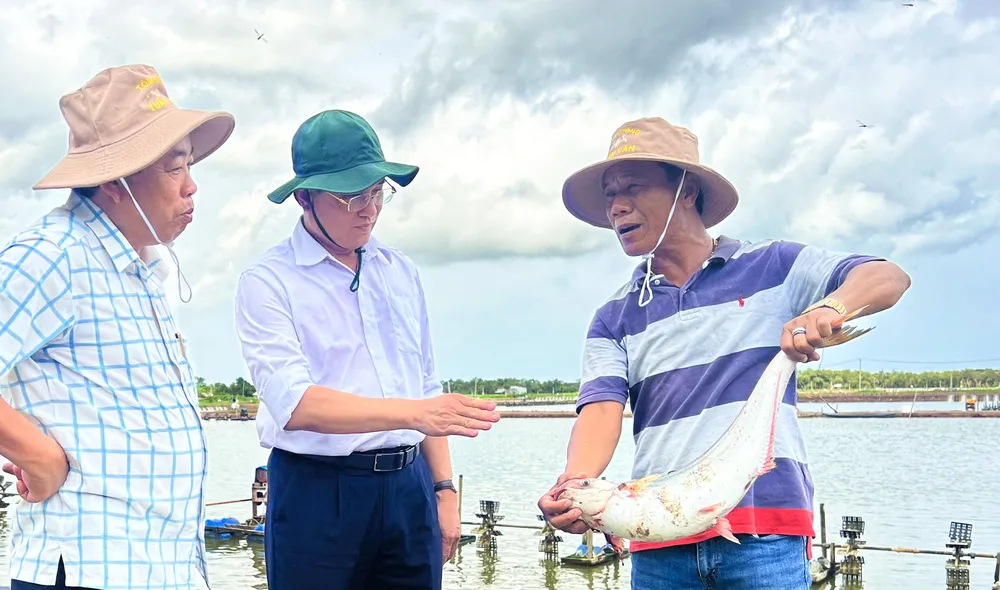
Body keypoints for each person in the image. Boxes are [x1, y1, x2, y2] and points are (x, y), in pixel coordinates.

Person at [538, 117, 911, 589]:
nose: (617, 206)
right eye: (609, 195)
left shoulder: (772, 267)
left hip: (767, 531)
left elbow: (887, 277)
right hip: (659, 536)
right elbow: (600, 412)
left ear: (687, 189)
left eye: (633, 187)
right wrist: (574, 484)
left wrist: (829, 308)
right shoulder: (614, 316)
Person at [234, 109, 500, 590]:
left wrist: (443, 492)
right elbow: (294, 403)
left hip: (409, 485)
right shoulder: (268, 282)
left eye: (378, 191)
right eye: (350, 195)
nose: (368, 208)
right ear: (304, 197)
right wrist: (417, 414)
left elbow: (425, 386)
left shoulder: (400, 272)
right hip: (317, 489)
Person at [0, 64, 235, 590]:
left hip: (157, 569)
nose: (192, 187)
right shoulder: (53, 254)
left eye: (190, 165)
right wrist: (35, 454)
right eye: (175, 168)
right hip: (91, 569)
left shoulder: (139, 268)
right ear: (114, 179)